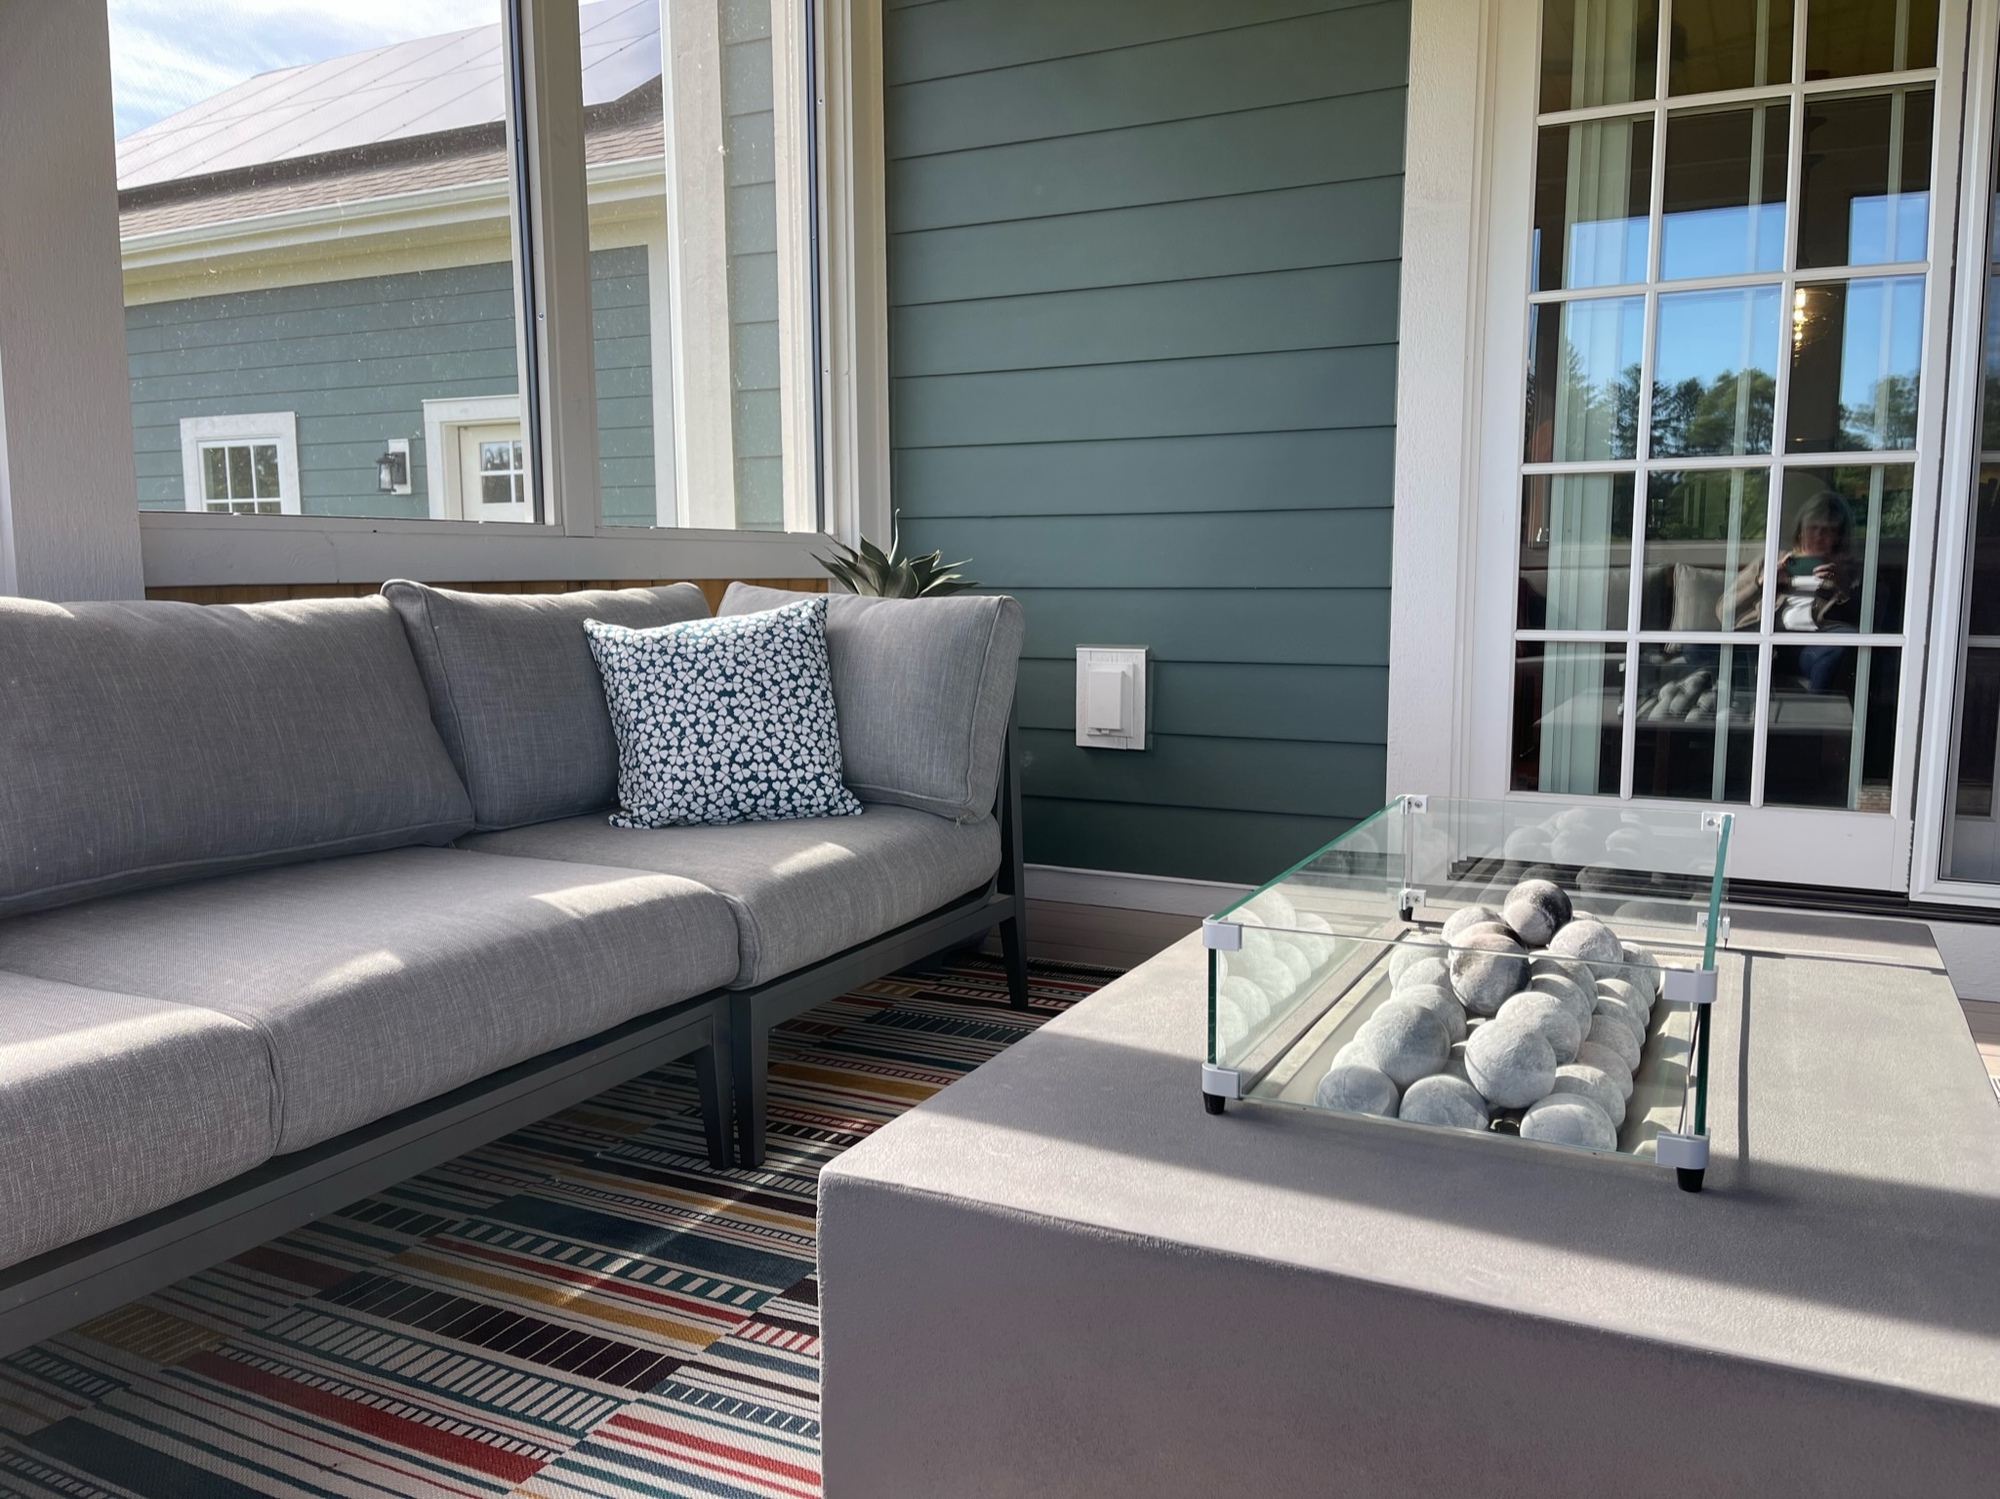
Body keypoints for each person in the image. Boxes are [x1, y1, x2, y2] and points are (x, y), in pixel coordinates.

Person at [1720, 490, 1860, 692]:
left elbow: (1865, 622)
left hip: (1811, 647)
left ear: (1839, 536)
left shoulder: (1850, 570)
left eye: (1828, 530)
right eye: (1813, 527)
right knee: (1697, 647)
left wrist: (1842, 585)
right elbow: (1724, 610)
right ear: (1801, 530)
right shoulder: (1771, 560)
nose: (1819, 535)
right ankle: (1742, 708)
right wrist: (1762, 583)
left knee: (1834, 652)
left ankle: (1814, 718)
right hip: (1764, 642)